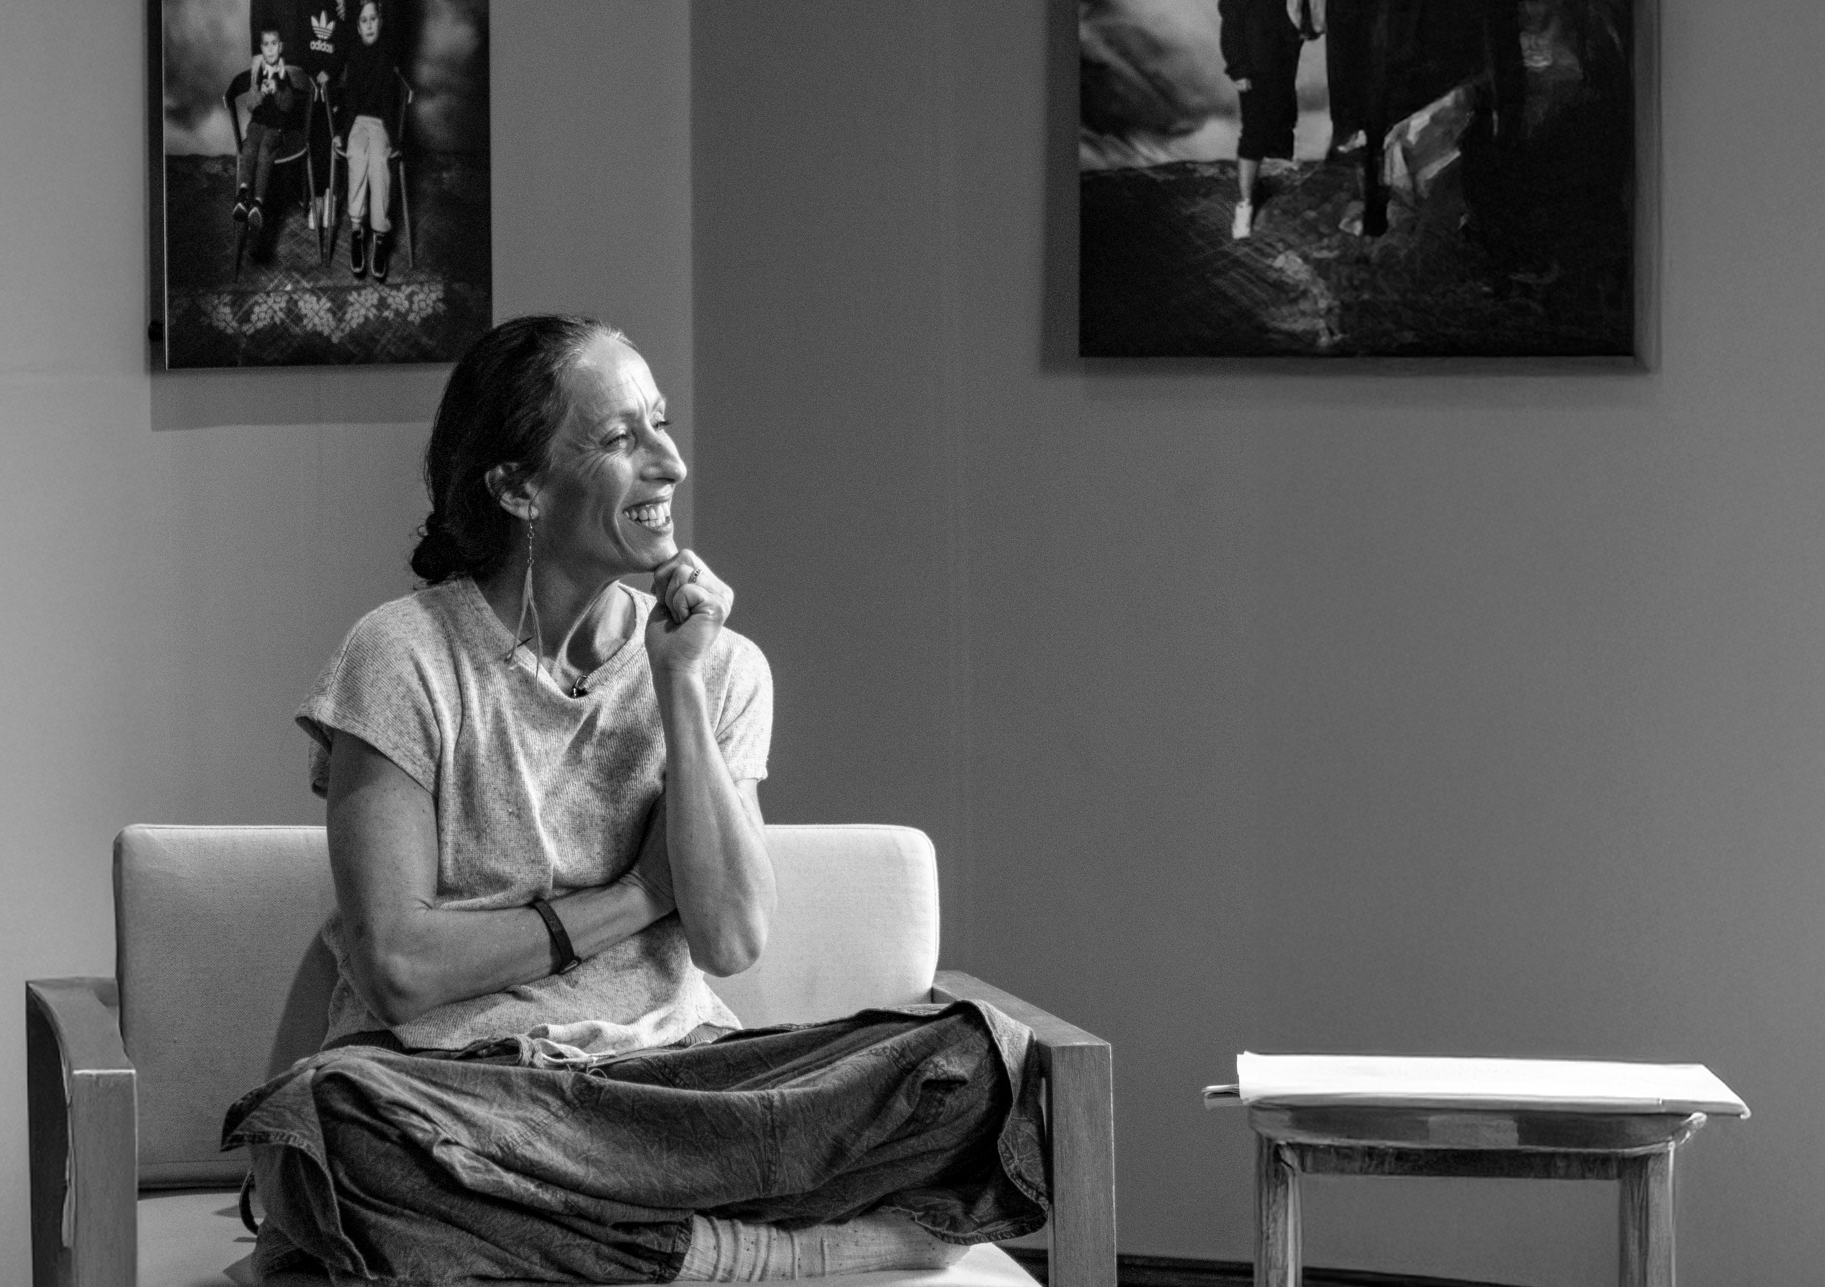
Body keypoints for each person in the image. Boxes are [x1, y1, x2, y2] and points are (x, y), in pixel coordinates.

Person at [225, 316, 1048, 1284]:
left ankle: (585, 1246)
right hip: (457, 1096)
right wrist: (631, 899)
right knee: (334, 1131)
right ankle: (762, 1255)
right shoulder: (401, 657)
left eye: (660, 425)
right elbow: (398, 968)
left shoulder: (720, 667)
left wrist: (680, 689)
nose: (671, 463)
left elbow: (733, 939)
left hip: (673, 1092)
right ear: (517, 486)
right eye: (621, 439)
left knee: (971, 1064)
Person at [1219, 0, 1325, 239]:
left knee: (1283, 121)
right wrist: (1237, 68)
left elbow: (1311, 24)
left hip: (1284, 61)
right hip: (1254, 66)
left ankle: (1279, 200)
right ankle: (1245, 205)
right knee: (1254, 132)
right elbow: (1231, 20)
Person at [338, 0, 402, 281]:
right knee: (357, 154)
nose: (369, 25)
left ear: (381, 20)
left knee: (378, 160)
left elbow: (389, 100)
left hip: (380, 123)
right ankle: (356, 230)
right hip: (356, 122)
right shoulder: (352, 50)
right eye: (363, 20)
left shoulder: (388, 49)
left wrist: (394, 139)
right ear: (356, 25)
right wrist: (341, 132)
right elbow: (349, 97)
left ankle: (379, 235)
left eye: (373, 18)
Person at [232, 27, 300, 232]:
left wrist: (278, 88)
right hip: (257, 124)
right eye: (266, 44)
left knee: (265, 151)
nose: (270, 49)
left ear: (280, 47)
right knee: (250, 146)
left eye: (274, 44)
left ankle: (258, 203)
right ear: (261, 48)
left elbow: (288, 106)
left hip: (275, 127)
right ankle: (243, 195)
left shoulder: (284, 74)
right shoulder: (257, 73)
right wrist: (260, 92)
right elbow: (250, 106)